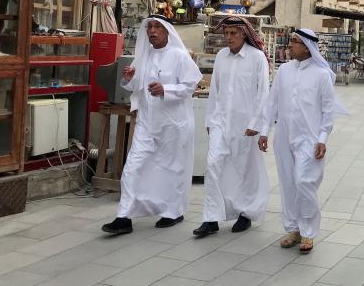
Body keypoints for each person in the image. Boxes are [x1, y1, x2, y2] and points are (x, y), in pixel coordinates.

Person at [102, 15, 202, 235]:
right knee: (133, 167)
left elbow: (191, 86)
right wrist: (128, 79)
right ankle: (124, 216)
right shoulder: (144, 56)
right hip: (147, 123)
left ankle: (173, 212)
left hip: (174, 124)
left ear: (167, 31)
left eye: (157, 27)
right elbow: (134, 86)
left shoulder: (179, 56)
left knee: (172, 168)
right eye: (149, 27)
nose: (152, 31)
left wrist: (166, 89)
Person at [256, 28, 347, 254]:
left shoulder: (321, 74)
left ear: (308, 47)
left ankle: (308, 231)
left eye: (295, 42)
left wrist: (323, 138)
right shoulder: (284, 71)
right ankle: (293, 229)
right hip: (284, 136)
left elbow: (328, 111)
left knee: (304, 182)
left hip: (310, 138)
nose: (290, 46)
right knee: (288, 183)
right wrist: (264, 131)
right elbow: (271, 103)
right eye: (291, 42)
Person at [193, 17, 270, 238]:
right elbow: (215, 89)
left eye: (233, 33)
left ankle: (245, 213)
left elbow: (263, 92)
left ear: (244, 34)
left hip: (245, 125)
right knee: (213, 165)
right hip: (220, 123)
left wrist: (256, 123)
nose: (229, 38)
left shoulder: (257, 58)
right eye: (226, 33)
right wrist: (210, 120)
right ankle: (211, 218)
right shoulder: (221, 57)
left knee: (244, 169)